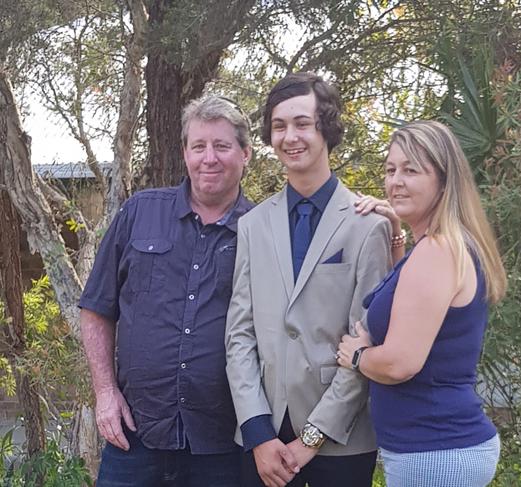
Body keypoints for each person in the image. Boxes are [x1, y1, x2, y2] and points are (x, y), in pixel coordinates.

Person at [225, 72, 394, 487]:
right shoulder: (253, 224)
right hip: (262, 442)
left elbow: (367, 341)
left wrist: (312, 439)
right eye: (279, 126)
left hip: (339, 442)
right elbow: (239, 335)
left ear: (326, 128)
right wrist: (258, 433)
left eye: (302, 123)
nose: (290, 136)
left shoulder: (368, 226)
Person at [79, 95, 254, 486]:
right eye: (199, 146)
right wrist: (105, 393)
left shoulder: (261, 230)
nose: (209, 158)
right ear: (185, 153)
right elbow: (96, 307)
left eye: (222, 146)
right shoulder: (140, 212)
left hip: (221, 443)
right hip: (135, 434)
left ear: (245, 153)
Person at [337, 120, 507, 487]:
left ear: (444, 181)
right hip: (439, 449)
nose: (395, 181)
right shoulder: (441, 246)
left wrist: (357, 356)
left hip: (436, 454)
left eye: (411, 170)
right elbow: (411, 305)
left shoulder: (437, 250)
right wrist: (396, 233)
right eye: (390, 169)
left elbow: (400, 363)